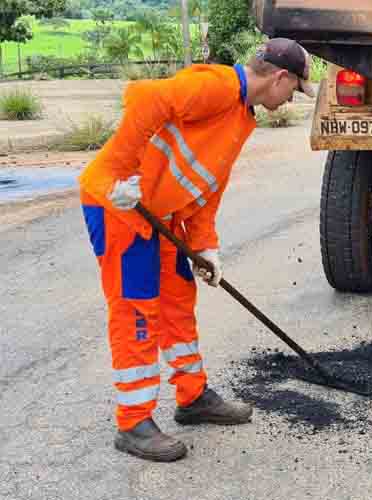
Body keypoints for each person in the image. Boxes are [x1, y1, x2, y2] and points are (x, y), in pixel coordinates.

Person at [77, 38, 315, 462]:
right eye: (294, 90)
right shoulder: (219, 87)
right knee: (136, 309)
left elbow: (206, 188)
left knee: (178, 302)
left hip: (161, 216)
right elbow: (144, 96)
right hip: (120, 207)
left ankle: (192, 396)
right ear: (279, 77)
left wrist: (205, 247)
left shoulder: (241, 117)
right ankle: (133, 420)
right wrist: (122, 174)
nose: (291, 100)